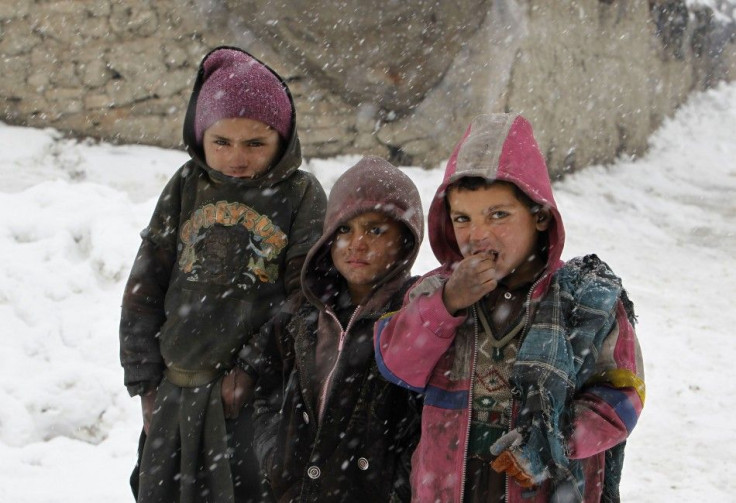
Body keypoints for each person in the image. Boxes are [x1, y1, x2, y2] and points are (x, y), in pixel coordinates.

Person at [374, 113, 645, 502]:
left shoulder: (584, 300)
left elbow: (623, 394)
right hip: (447, 486)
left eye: (498, 215)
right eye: (462, 218)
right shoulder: (433, 292)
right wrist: (447, 303)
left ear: (539, 216)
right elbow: (397, 364)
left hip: (545, 486)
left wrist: (550, 444)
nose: (478, 235)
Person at [118, 46, 327, 503]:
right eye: (222, 142)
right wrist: (145, 382)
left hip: (254, 398)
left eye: (256, 143)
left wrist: (253, 367)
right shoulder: (186, 186)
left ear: (284, 139)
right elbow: (145, 285)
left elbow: (305, 295)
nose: (237, 157)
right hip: (175, 389)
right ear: (201, 137)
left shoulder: (300, 194)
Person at [240, 156, 424, 502]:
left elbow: (422, 422)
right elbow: (267, 393)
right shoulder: (299, 315)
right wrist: (274, 458)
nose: (357, 243)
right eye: (344, 229)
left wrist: (396, 488)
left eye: (375, 229)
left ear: (405, 239)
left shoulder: (414, 317)